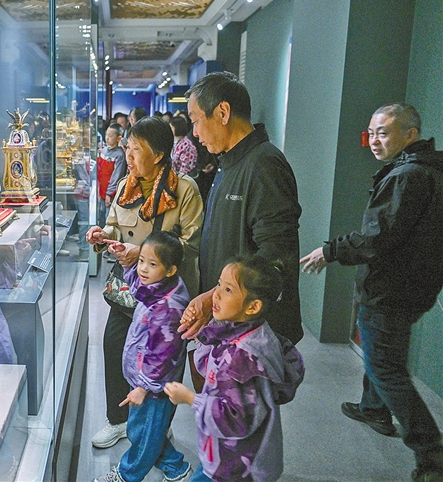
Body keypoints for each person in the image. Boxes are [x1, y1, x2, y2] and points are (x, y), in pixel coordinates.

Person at [300, 103, 443, 482]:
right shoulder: (427, 170)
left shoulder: (407, 176)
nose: (375, 141)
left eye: (384, 132)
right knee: (384, 354)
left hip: (389, 289)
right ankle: (373, 408)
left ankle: (432, 454)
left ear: (410, 134)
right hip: (411, 285)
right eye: (372, 133)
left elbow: (378, 237)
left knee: (385, 366)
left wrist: (330, 251)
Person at [86, 116, 203, 449]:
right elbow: (114, 224)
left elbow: (193, 243)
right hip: (130, 292)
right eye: (128, 148)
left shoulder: (185, 189)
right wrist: (102, 236)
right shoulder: (127, 185)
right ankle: (118, 420)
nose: (129, 156)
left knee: (161, 362)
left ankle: (158, 427)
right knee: (115, 348)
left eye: (136, 149)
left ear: (159, 155)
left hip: (167, 299)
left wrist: (145, 253)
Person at [178, 71, 303, 345]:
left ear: (222, 112)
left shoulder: (265, 165)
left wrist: (215, 295)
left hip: (253, 337)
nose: (195, 133)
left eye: (196, 121)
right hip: (227, 326)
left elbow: (275, 254)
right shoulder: (228, 163)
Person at [165, 255, 304, 482]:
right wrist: (206, 334)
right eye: (219, 284)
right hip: (233, 455)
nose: (216, 294)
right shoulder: (255, 333)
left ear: (253, 306)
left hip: (236, 466)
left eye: (228, 289)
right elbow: (212, 369)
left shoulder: (242, 359)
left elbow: (236, 420)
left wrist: (190, 398)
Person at [94, 229, 193, 482]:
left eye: (152, 264)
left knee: (143, 436)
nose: (143, 269)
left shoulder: (168, 308)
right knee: (148, 432)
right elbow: (139, 290)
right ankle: (177, 470)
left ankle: (126, 475)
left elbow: (162, 356)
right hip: (143, 378)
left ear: (171, 269)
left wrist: (143, 387)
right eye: (141, 261)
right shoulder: (158, 286)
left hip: (154, 387)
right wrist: (126, 264)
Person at [98, 123, 127, 227]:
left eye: (110, 136)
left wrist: (109, 194)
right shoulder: (104, 150)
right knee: (100, 216)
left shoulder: (120, 155)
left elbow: (117, 176)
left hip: (110, 194)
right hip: (101, 190)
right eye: (106, 134)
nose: (107, 138)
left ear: (119, 138)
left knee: (108, 218)